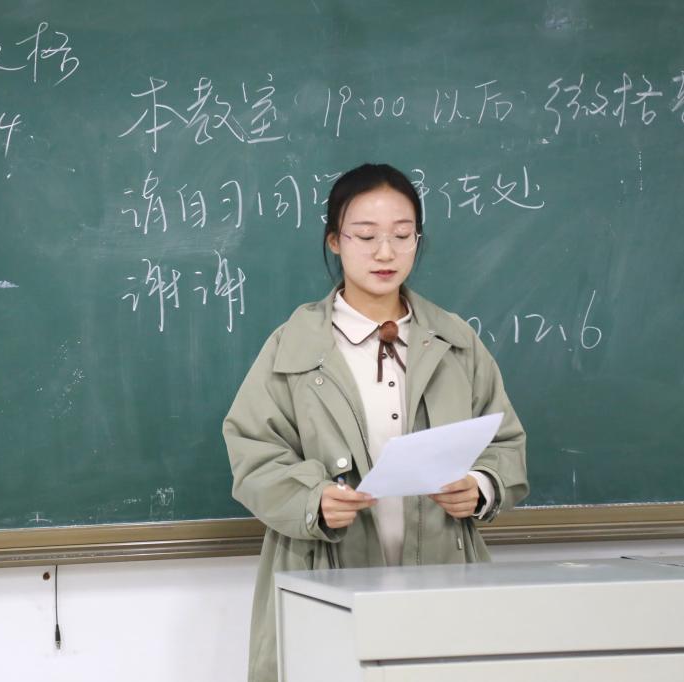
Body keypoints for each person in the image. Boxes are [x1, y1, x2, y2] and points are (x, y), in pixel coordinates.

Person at [223, 163, 528, 682]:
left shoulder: (455, 341)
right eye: (365, 236)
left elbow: (505, 442)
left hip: (443, 579)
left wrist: (480, 486)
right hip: (324, 580)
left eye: (402, 236)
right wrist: (312, 499)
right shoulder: (293, 345)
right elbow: (253, 454)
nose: (385, 252)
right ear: (335, 241)